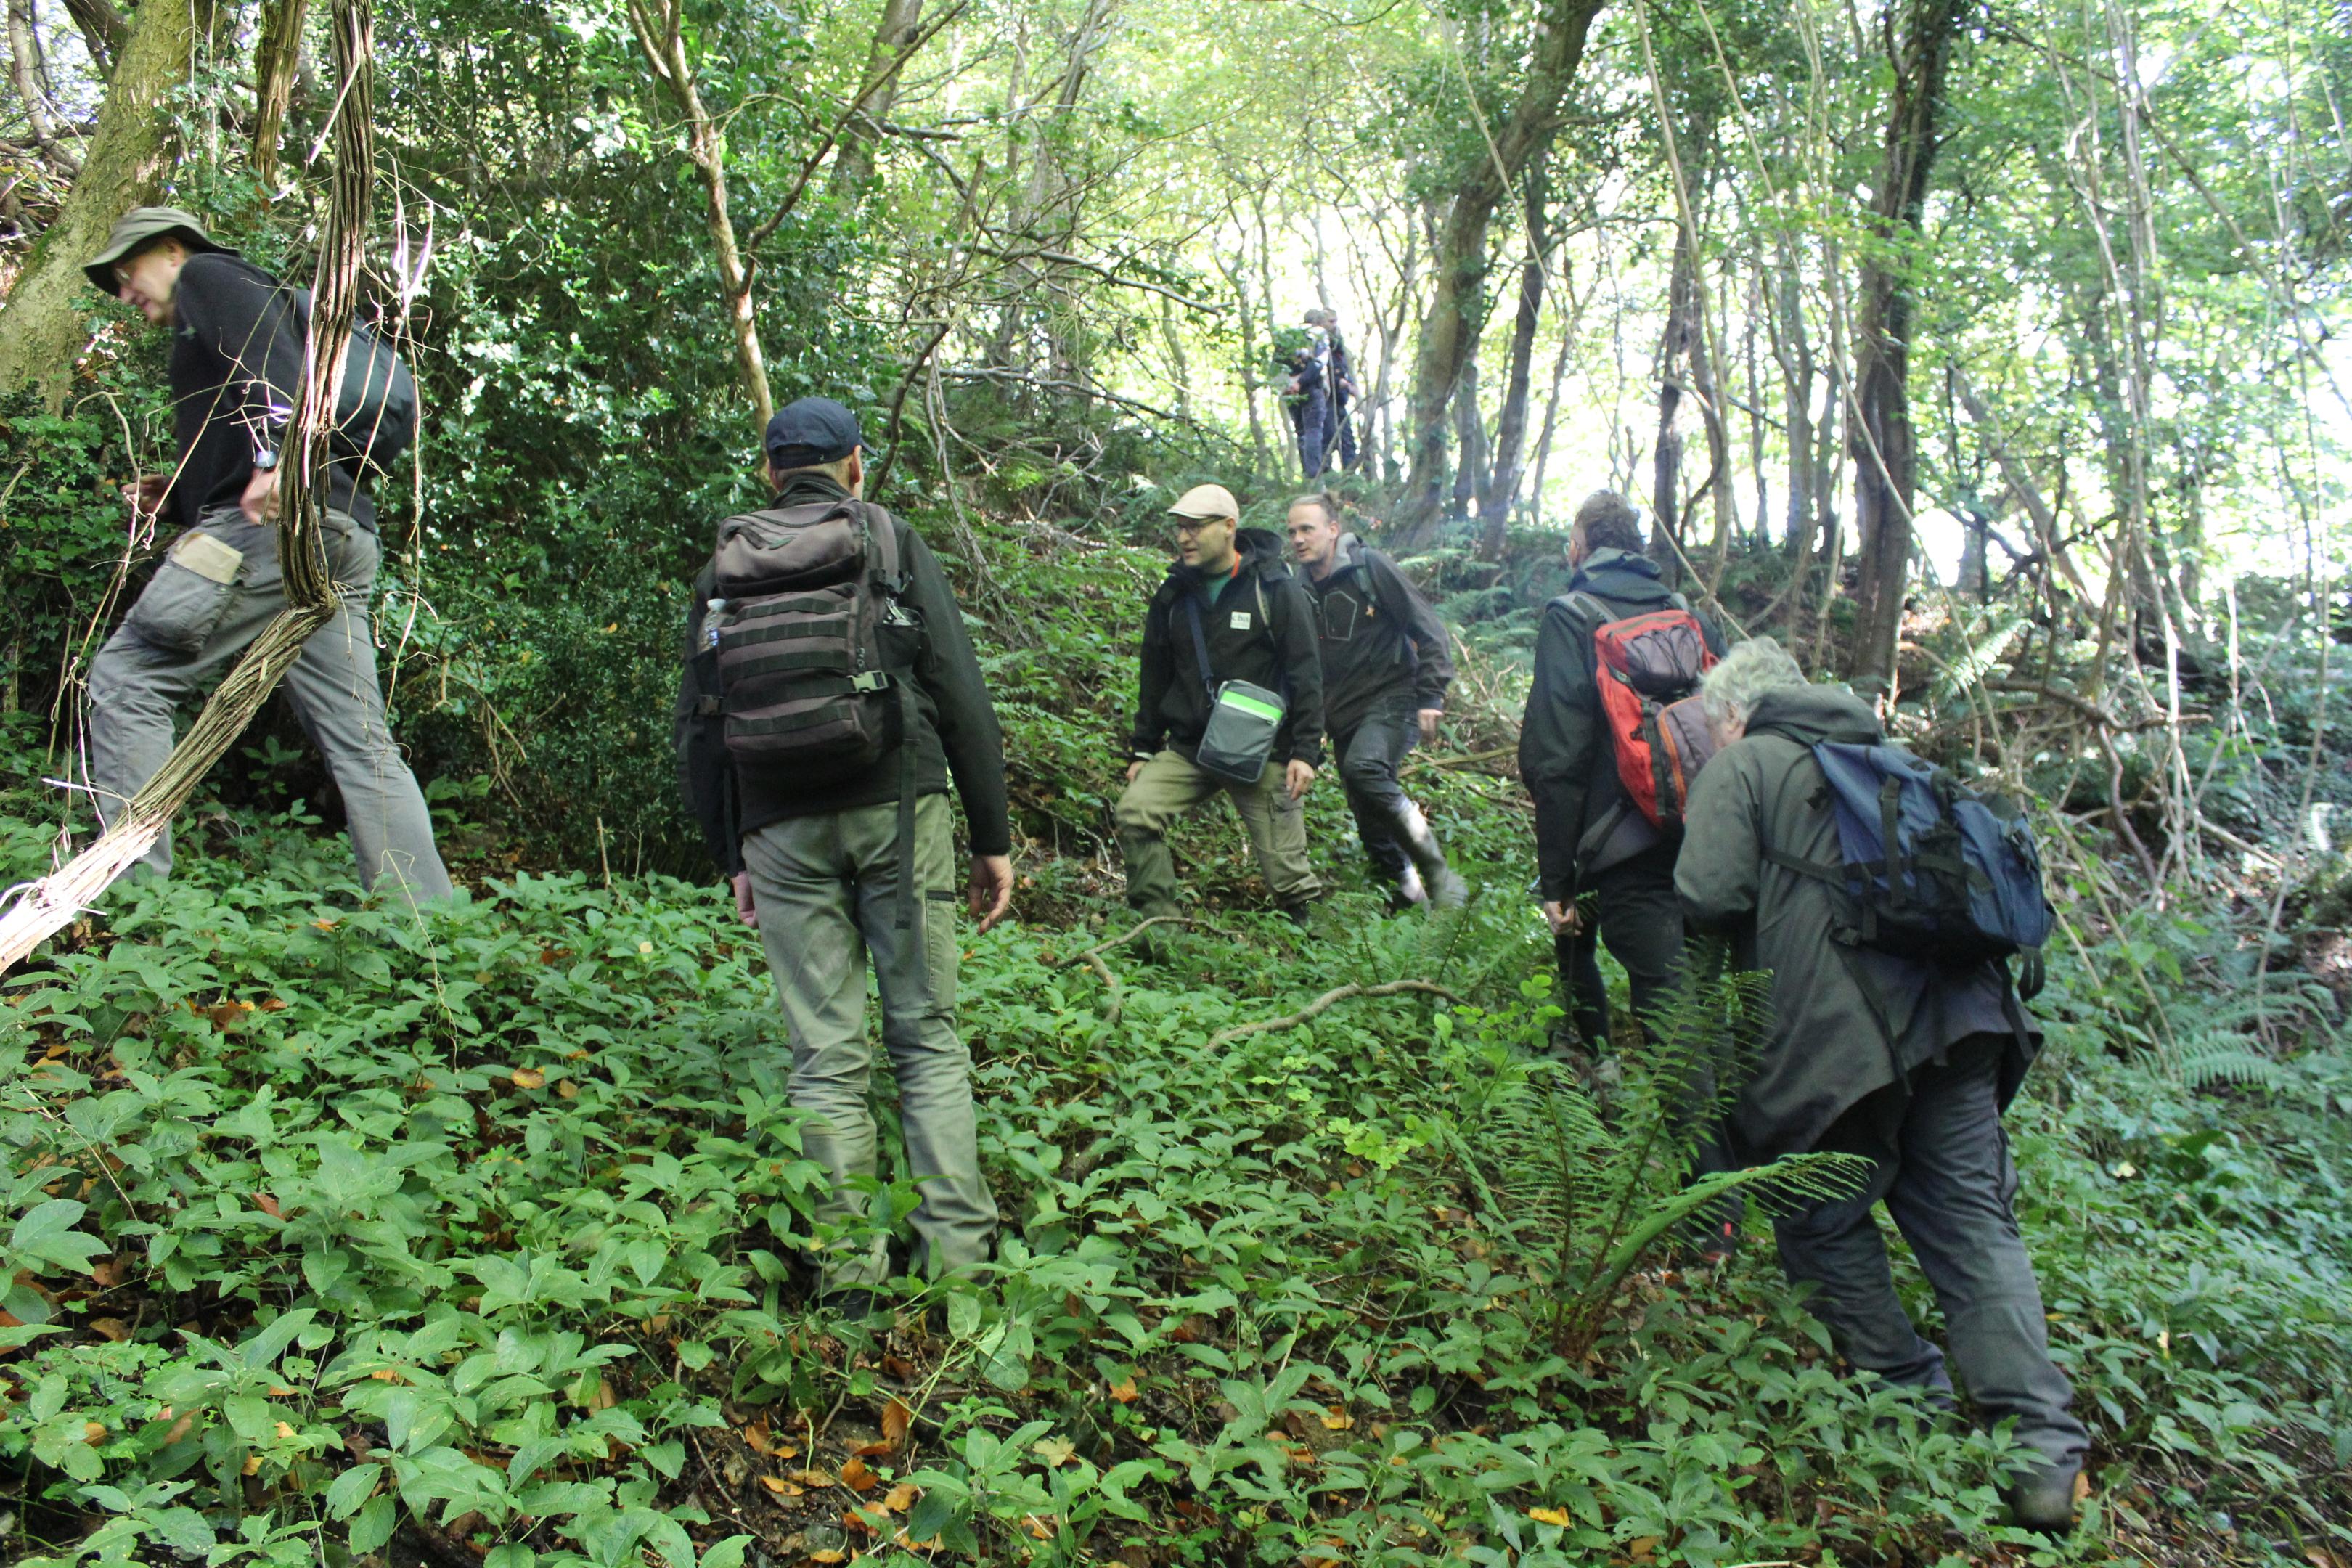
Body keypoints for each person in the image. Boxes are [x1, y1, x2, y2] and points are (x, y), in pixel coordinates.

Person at [1674, 637, 2088, 1533]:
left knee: (1820, 1215)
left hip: (1841, 1043)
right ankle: (2044, 1455)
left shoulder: (1745, 765)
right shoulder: (1889, 757)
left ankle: (1908, 1401)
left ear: (1735, 716)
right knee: (1975, 1222)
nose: (1713, 743)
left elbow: (1707, 893)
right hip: (1965, 1019)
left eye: (1713, 731)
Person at [675, 396, 1013, 1318]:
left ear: (770, 469)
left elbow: (701, 728)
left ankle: (848, 1281)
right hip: (897, 806)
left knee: (824, 1055)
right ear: (855, 463)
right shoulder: (889, 541)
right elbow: (957, 688)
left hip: (779, 827)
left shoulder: (725, 567)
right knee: (926, 1038)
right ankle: (959, 1269)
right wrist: (993, 837)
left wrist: (731, 853)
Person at [77, 206, 452, 900]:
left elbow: (272, 367)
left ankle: (132, 906)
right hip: (339, 534)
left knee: (128, 678)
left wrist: (282, 457)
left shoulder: (208, 274)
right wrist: (180, 495)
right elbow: (267, 394)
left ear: (169, 247)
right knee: (360, 741)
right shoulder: (237, 302)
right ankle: (433, 928)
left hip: (273, 533)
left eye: (127, 271)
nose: (124, 290)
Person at [1517, 489, 1724, 1040]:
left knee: (1674, 1025)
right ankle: (1744, 1124)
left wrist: (1558, 880)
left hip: (1625, 850)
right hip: (1709, 836)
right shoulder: (1689, 617)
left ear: (1579, 548)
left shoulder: (1573, 618)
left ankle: (1651, 1101)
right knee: (1709, 1007)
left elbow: (1555, 760)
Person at [1116, 483, 1325, 929]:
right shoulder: (1173, 597)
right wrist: (1143, 749)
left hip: (1262, 751)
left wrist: (1306, 752)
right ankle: (1160, 930)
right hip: (1190, 748)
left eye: (1196, 527)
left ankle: (1314, 953)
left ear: (1229, 528)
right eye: (1180, 528)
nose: (1184, 537)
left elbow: (1306, 673)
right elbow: (1154, 678)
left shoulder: (1274, 590)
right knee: (1135, 812)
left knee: (1289, 878)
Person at [1283, 494, 1464, 909]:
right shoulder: (1297, 590)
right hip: (1342, 716)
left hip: (1394, 696)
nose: (1297, 539)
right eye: (1291, 531)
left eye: (1307, 529)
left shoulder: (1370, 567)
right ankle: (1408, 898)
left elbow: (1428, 626)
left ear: (1333, 529)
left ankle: (1439, 874)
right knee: (1367, 815)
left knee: (1364, 768)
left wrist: (1432, 695)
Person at [1304, 308, 1359, 473]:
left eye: (1336, 321)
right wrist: (1338, 383)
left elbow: (1341, 367)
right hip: (1325, 401)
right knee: (1326, 441)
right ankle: (1324, 481)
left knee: (1347, 443)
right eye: (1331, 322)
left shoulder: (1336, 344)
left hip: (1340, 402)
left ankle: (1350, 484)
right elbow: (1318, 371)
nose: (1334, 325)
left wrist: (1348, 385)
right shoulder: (1317, 342)